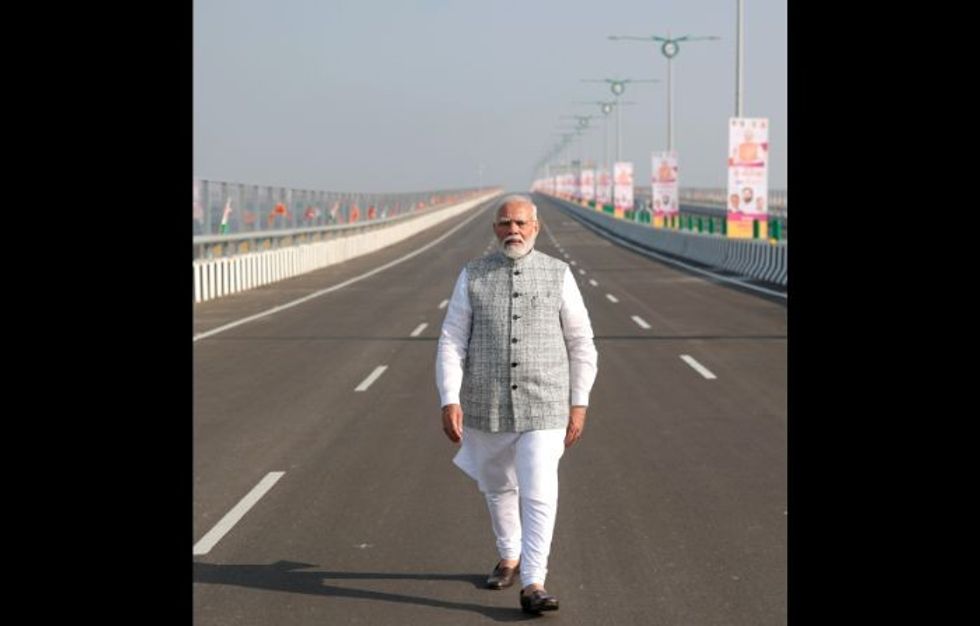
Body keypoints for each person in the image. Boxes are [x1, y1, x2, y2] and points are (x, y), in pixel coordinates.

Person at [436, 194, 598, 615]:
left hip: (545, 402)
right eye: (506, 224)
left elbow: (582, 342)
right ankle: (509, 555)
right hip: (485, 401)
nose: (514, 230)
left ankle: (533, 582)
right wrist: (448, 397)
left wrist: (578, 402)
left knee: (538, 485)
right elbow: (452, 339)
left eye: (521, 224)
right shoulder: (472, 275)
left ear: (536, 228)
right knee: (497, 485)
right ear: (495, 229)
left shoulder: (558, 274)